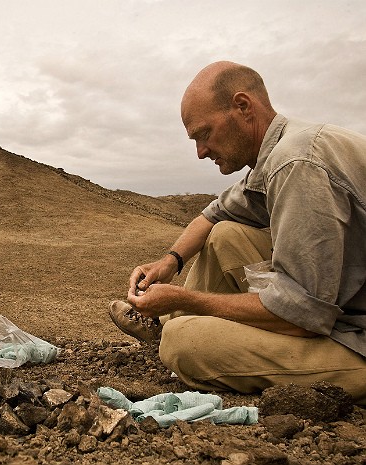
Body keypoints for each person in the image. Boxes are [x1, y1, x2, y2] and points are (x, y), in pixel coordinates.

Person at [109, 61, 366, 405]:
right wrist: (170, 261)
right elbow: (213, 215)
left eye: (204, 134)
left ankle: (173, 327)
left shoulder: (297, 164)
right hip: (344, 303)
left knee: (184, 343)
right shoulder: (281, 151)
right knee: (226, 234)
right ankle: (166, 322)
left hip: (354, 335)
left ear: (243, 107)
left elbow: (303, 315)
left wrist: (186, 299)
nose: (201, 152)